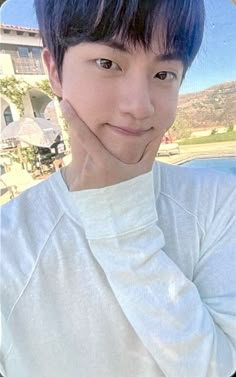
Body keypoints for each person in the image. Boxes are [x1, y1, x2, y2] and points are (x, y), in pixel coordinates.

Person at [0, 1, 235, 376]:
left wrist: (124, 226)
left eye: (163, 74)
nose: (139, 107)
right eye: (108, 63)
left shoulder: (220, 202)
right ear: (54, 71)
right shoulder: (10, 245)